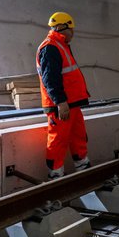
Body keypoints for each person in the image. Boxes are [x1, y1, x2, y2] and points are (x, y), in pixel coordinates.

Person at [36, 12, 91, 180]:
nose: (73, 33)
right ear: (61, 27)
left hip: (72, 103)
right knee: (58, 139)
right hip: (62, 105)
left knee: (78, 136)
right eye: (71, 29)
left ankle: (83, 166)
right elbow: (50, 78)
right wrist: (60, 102)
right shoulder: (50, 47)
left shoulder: (61, 45)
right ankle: (56, 175)